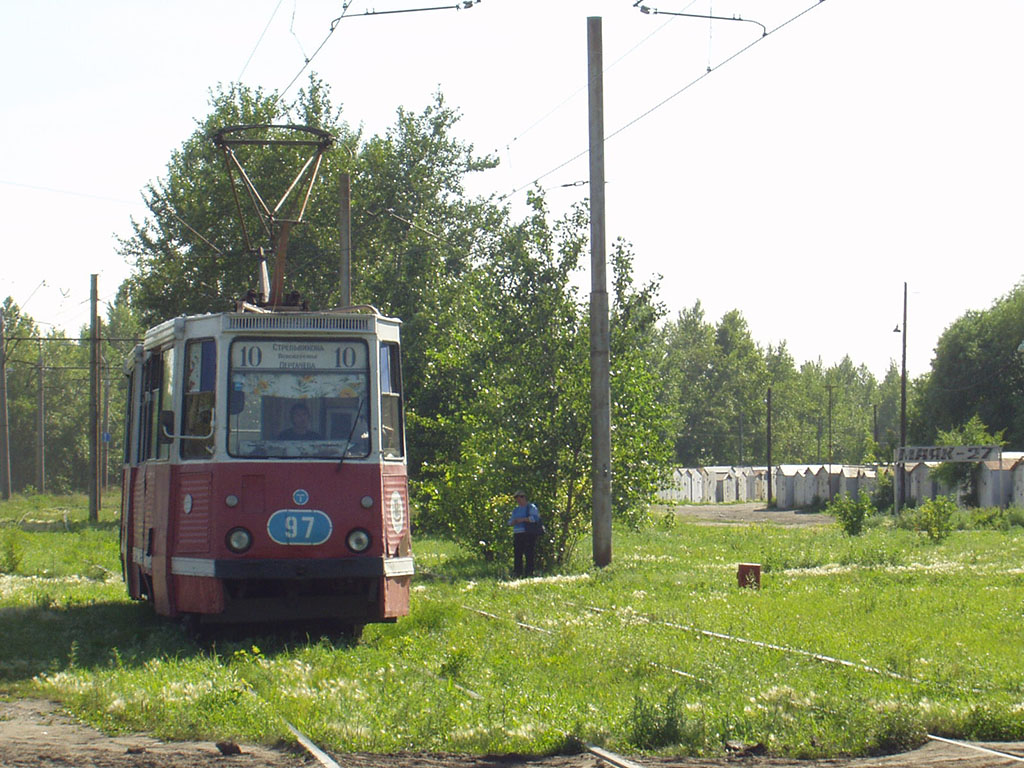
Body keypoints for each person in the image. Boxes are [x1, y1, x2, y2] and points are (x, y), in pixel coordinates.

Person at [508, 490, 541, 578]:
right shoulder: (516, 510)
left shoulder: (531, 507)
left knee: (529, 553)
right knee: (517, 554)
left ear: (524, 497)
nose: (518, 500)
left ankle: (529, 573)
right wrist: (513, 522)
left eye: (520, 498)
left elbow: (535, 519)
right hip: (517, 533)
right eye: (517, 499)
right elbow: (510, 522)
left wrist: (523, 520)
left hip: (528, 533)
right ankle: (517, 573)